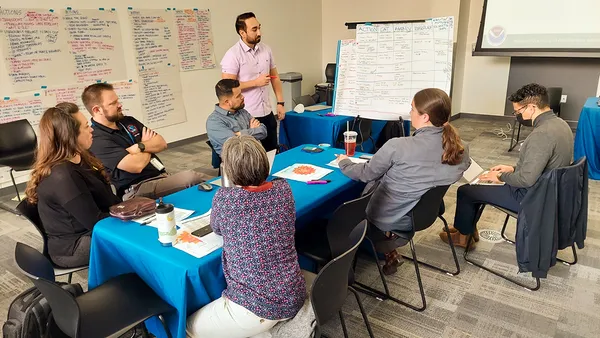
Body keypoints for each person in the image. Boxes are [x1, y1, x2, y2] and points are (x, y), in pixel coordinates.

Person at [335, 88, 470, 274]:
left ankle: (345, 270)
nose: (410, 113)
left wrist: (345, 163)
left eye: (412, 109)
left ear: (425, 117)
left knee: (343, 213)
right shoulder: (460, 148)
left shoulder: (398, 146)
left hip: (392, 216)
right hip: (424, 214)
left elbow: (366, 174)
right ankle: (389, 249)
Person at [186, 135, 306, 338]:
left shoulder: (226, 199)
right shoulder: (284, 189)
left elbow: (216, 228)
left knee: (188, 326)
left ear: (229, 170)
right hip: (293, 292)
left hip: (257, 307)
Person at [441, 83, 574, 248]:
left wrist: (499, 177)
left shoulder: (541, 134)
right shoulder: (561, 124)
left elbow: (526, 180)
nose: (516, 116)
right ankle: (467, 228)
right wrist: (513, 168)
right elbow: (545, 164)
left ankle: (463, 236)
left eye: (518, 111)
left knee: (466, 191)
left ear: (532, 107)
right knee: (476, 189)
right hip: (549, 191)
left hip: (532, 197)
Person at [24, 102, 121, 268]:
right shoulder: (63, 176)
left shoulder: (81, 156)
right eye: (85, 127)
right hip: (74, 247)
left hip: (91, 230)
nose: (91, 129)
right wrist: (132, 217)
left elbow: (107, 200)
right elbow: (95, 222)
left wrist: (132, 209)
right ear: (70, 136)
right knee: (136, 239)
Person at [82, 83, 208, 200]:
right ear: (97, 110)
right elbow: (136, 166)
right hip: (136, 189)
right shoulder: (97, 138)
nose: (119, 105)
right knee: (192, 178)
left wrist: (140, 146)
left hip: (161, 176)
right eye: (113, 103)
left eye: (118, 101)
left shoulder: (128, 121)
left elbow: (161, 142)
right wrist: (147, 145)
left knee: (197, 188)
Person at [220, 12, 285, 152]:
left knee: (272, 153)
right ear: (242, 32)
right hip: (247, 115)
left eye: (259, 27)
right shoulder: (232, 55)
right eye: (254, 29)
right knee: (250, 157)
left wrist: (280, 103)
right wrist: (255, 82)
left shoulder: (266, 50)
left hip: (267, 112)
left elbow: (275, 78)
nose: (259, 32)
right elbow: (227, 87)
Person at [206, 79, 267, 156]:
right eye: (238, 96)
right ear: (227, 102)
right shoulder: (214, 122)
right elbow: (235, 144)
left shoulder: (242, 112)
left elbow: (263, 131)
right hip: (234, 165)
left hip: (255, 157)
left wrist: (239, 134)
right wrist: (252, 130)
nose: (243, 97)